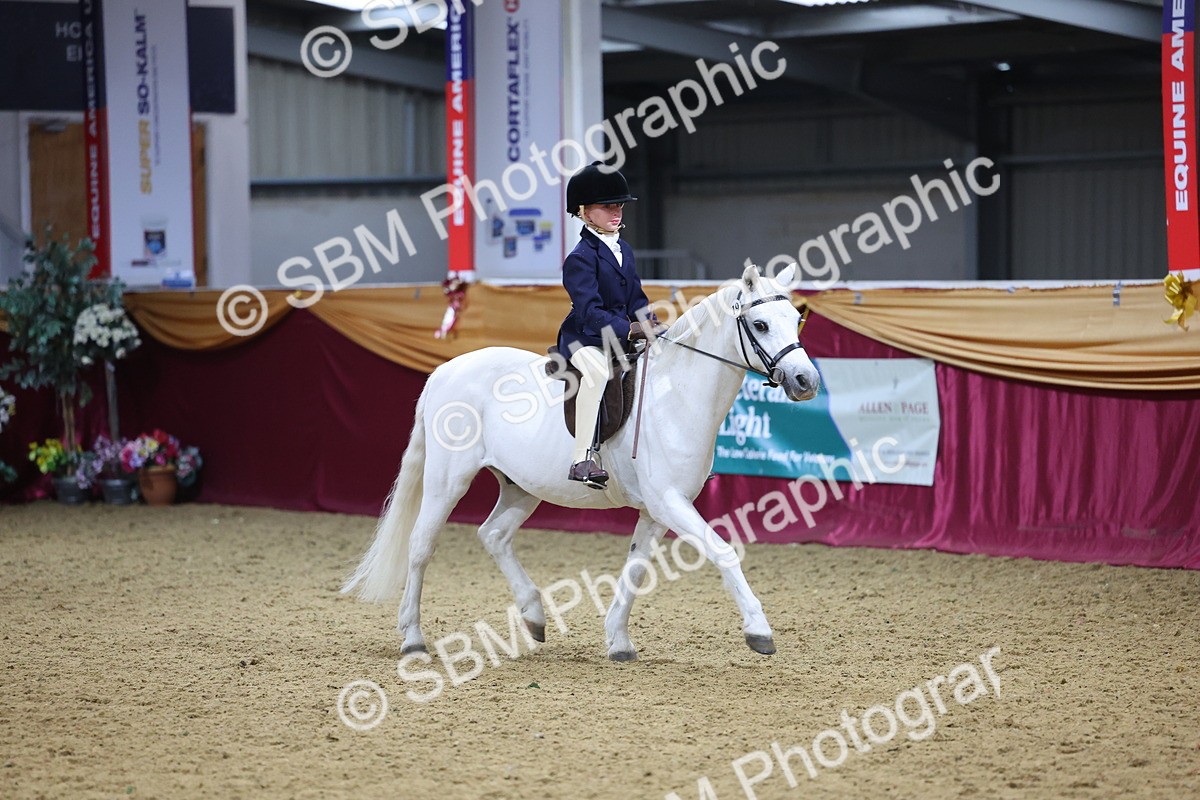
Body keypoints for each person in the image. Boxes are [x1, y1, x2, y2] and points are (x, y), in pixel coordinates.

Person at [557, 162, 662, 489]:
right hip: (583, 339)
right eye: (607, 206)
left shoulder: (624, 251)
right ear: (585, 212)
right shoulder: (579, 258)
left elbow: (636, 298)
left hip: (618, 336)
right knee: (599, 372)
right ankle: (582, 458)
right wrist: (629, 329)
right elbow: (589, 312)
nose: (616, 211)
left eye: (619, 205)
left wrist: (649, 323)